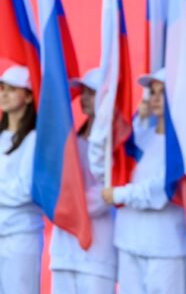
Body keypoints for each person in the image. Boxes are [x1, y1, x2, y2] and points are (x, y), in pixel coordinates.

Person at [102, 68, 186, 294]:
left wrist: (119, 195)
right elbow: (120, 163)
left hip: (165, 247)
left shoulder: (185, 144)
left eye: (162, 92)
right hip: (129, 243)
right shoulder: (141, 134)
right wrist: (138, 118)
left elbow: (161, 191)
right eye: (152, 92)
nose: (155, 98)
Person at [49, 69, 117, 293]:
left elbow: (109, 191)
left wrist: (70, 205)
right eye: (84, 93)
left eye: (91, 93)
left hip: (97, 249)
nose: (84, 98)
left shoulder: (116, 142)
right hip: (64, 247)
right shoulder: (71, 141)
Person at [0, 65, 43, 294]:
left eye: (12, 89)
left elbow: (25, 190)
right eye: (2, 89)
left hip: (20, 236)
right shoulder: (1, 137)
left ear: (28, 96)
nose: (4, 95)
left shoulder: (34, 139)